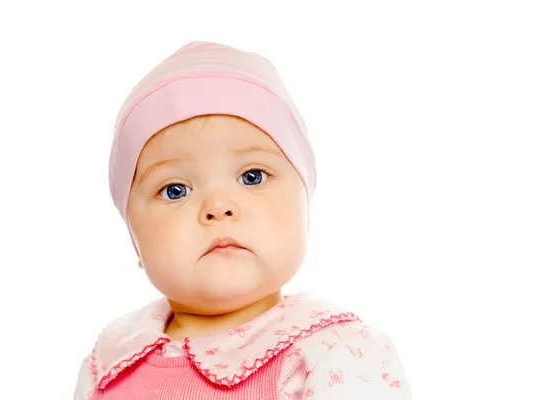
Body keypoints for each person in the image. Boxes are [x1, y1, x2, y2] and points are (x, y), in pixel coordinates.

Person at [73, 41, 411, 399]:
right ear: (134, 238)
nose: (218, 207)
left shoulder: (333, 355)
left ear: (305, 210)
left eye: (253, 176)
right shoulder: (110, 362)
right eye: (175, 190)